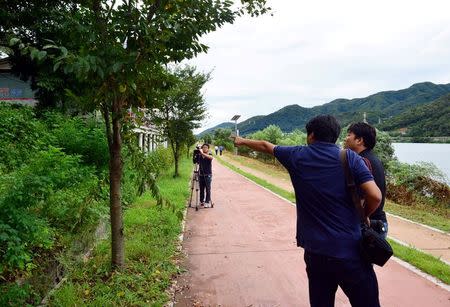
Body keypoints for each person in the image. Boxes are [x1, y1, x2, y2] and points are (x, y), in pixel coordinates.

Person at [231, 115, 382, 307]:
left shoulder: (296, 156)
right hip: (350, 251)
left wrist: (242, 141)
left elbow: (265, 146)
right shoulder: (349, 157)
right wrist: (365, 215)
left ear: (311, 135)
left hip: (316, 252)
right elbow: (375, 196)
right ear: (335, 136)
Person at [345, 122, 388, 238]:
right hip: (378, 223)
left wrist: (363, 216)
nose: (345, 139)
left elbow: (372, 196)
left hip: (368, 226)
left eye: (349, 135)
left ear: (359, 140)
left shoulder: (361, 162)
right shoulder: (373, 159)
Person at [198, 143, 213, 208]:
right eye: (203, 147)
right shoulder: (199, 155)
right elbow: (195, 162)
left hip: (208, 175)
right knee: (201, 189)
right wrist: (196, 155)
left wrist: (202, 153)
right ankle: (201, 201)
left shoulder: (209, 154)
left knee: (208, 189)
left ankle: (207, 202)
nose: (204, 148)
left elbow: (211, 158)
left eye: (206, 147)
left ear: (208, 149)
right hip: (201, 175)